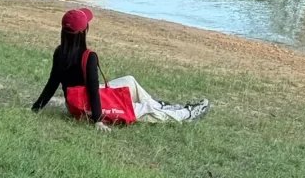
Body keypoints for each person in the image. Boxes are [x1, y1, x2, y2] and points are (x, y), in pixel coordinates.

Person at [30, 8, 209, 130]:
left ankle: (161, 106)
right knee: (143, 110)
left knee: (129, 81)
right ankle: (187, 114)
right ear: (85, 31)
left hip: (74, 104)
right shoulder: (88, 56)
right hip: (88, 106)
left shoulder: (60, 52)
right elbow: (92, 90)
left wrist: (36, 108)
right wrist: (98, 121)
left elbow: (52, 83)